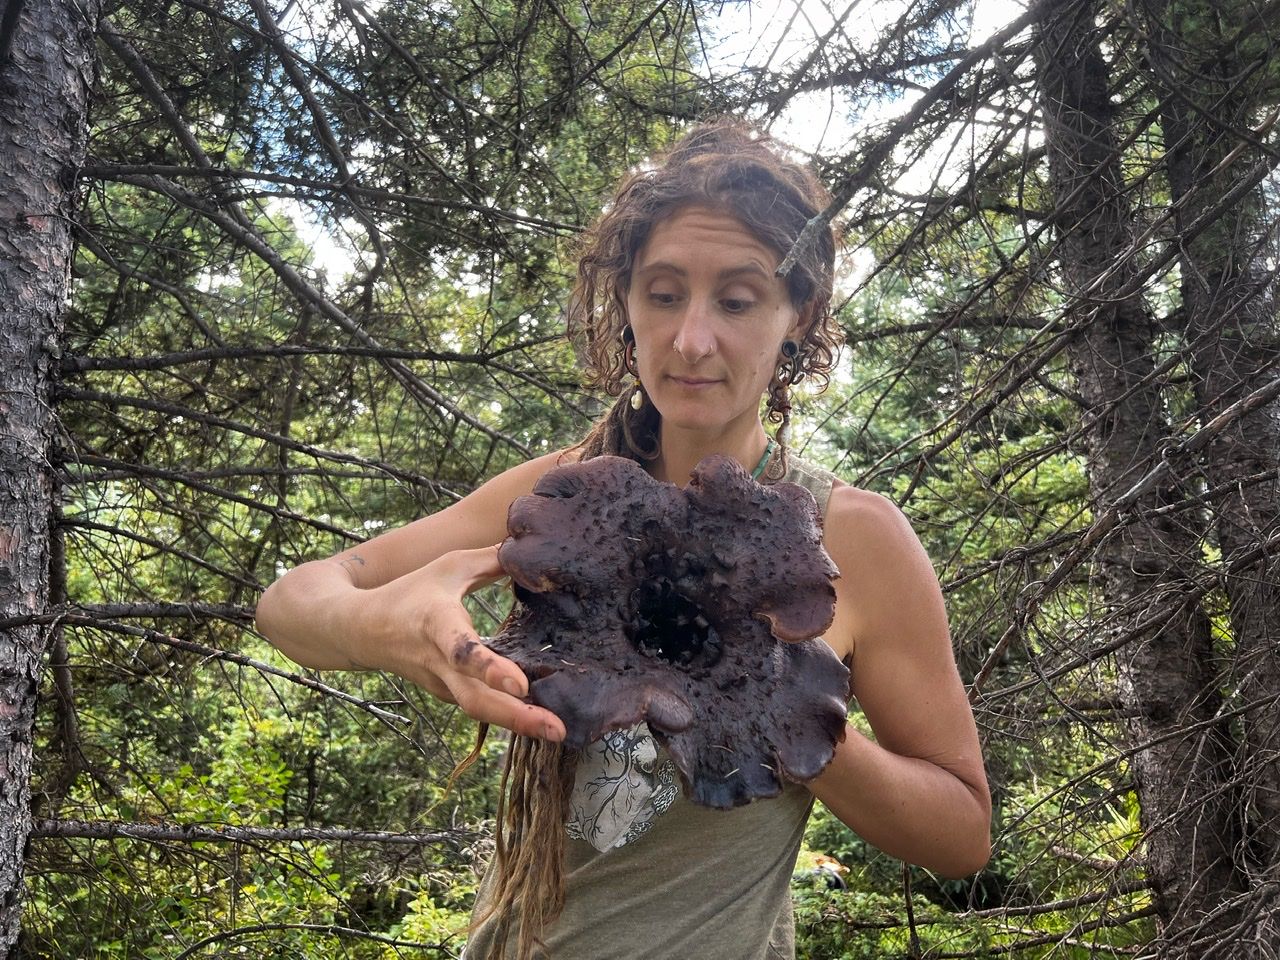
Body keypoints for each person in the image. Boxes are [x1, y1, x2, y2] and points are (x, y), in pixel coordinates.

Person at [255, 118, 991, 960]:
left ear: (800, 313)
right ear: (628, 305)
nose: (691, 339)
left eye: (739, 299)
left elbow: (962, 833)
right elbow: (289, 603)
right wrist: (390, 627)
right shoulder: (569, 500)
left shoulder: (847, 537)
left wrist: (789, 717)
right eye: (664, 292)